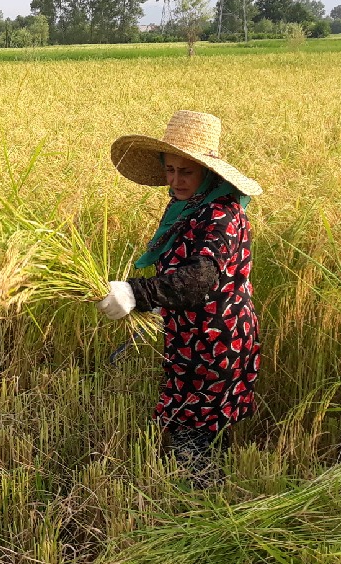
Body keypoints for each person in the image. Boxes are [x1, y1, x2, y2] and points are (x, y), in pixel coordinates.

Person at [96, 110, 262, 466]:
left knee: (196, 432)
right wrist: (160, 303)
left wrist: (136, 293)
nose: (175, 180)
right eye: (169, 170)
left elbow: (200, 278)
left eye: (185, 171)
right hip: (189, 335)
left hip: (217, 342)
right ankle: (201, 490)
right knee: (191, 426)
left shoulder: (221, 215)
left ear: (207, 171)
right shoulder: (185, 206)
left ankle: (201, 504)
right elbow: (179, 268)